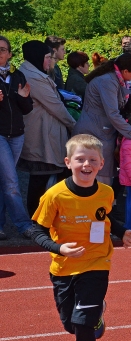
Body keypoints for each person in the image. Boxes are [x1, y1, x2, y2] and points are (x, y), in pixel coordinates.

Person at [29, 134, 131, 341]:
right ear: (68, 162)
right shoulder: (54, 196)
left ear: (101, 163)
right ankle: (97, 314)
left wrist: (122, 232)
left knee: (82, 324)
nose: (86, 164)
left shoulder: (106, 192)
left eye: (92, 160)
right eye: (80, 159)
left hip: (97, 262)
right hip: (64, 267)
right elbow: (35, 229)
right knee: (70, 323)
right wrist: (59, 248)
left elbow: (107, 216)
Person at [18, 40, 76, 216]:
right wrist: (74, 125)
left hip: (44, 133)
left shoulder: (32, 72)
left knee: (46, 177)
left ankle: (43, 216)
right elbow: (55, 106)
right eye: (46, 57)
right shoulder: (34, 77)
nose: (49, 61)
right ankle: (36, 219)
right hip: (41, 136)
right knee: (40, 178)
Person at [73, 53, 131, 186]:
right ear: (125, 71)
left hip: (99, 132)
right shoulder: (108, 81)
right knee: (96, 176)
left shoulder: (114, 79)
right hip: (94, 133)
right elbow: (113, 113)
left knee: (99, 175)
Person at [0, 35, 34, 240]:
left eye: (3, 49)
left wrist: (22, 98)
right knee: (11, 182)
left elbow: (28, 108)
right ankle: (23, 225)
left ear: (10, 54)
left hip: (17, 135)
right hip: (0, 134)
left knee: (4, 180)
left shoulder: (18, 75)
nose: (0, 53)